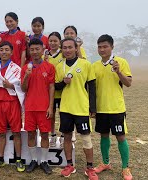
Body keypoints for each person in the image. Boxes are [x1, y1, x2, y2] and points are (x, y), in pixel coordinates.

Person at [55, 38, 97, 179]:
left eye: (70, 47)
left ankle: (90, 168)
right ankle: (69, 165)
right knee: (67, 137)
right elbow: (55, 86)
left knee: (86, 138)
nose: (67, 50)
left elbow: (92, 87)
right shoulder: (59, 66)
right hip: (66, 107)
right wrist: (63, 83)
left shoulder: (85, 64)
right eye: (64, 48)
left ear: (75, 48)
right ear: (62, 49)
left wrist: (93, 107)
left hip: (81, 107)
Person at [92, 34, 133, 180]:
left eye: (105, 46)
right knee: (103, 136)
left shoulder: (121, 62)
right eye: (99, 47)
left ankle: (125, 167)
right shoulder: (94, 66)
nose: (102, 49)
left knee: (120, 137)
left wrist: (118, 71)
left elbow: (128, 83)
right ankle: (105, 163)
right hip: (101, 108)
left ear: (112, 47)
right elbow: (92, 89)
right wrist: (93, 108)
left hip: (116, 108)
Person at [0, 41, 25, 172]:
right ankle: (1, 159)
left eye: (6, 49)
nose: (4, 52)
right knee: (1, 132)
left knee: (16, 132)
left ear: (11, 52)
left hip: (13, 102)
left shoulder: (16, 69)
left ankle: (19, 160)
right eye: (1, 49)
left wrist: (11, 86)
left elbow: (22, 87)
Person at [21, 38, 55, 175]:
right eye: (32, 49)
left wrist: (50, 107)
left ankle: (44, 161)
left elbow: (52, 87)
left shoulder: (49, 67)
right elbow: (23, 89)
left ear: (42, 50)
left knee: (45, 135)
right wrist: (26, 77)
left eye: (37, 49)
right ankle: (34, 160)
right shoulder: (25, 68)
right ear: (29, 51)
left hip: (44, 107)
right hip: (30, 107)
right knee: (31, 134)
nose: (35, 52)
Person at [47, 32, 64, 148]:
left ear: (59, 42)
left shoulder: (63, 54)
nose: (53, 43)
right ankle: (52, 135)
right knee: (51, 115)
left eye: (55, 41)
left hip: (63, 91)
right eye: (51, 41)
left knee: (63, 115)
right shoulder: (45, 55)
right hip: (49, 92)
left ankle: (63, 136)